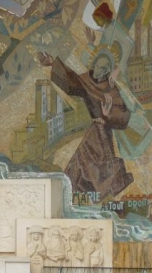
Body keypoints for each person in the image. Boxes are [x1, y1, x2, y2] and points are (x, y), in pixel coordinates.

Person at [36, 49, 134, 200]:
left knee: (97, 169)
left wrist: (108, 115)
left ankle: (97, 194)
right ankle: (74, 193)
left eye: (106, 68)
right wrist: (52, 63)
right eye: (100, 66)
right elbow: (71, 80)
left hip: (101, 134)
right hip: (88, 129)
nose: (101, 70)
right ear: (94, 65)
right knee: (80, 163)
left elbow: (123, 116)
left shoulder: (111, 89)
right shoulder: (85, 81)